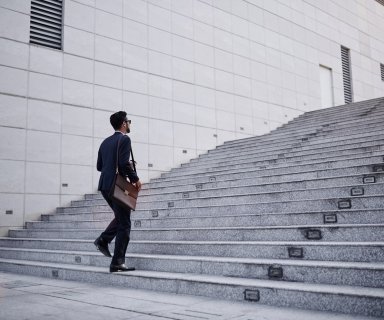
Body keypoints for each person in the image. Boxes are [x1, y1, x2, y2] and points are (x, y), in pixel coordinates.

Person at [94, 111, 142, 272]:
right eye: (129, 121)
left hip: (104, 185)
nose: (129, 124)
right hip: (117, 185)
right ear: (123, 124)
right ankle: (117, 261)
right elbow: (122, 164)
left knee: (121, 218)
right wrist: (135, 179)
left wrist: (123, 163)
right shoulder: (125, 139)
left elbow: (100, 166)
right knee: (125, 223)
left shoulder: (105, 142)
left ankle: (103, 240)